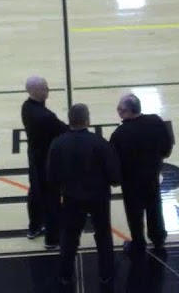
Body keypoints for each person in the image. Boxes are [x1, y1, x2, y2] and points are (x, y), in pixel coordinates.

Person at [48, 103, 120, 288]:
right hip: (99, 197)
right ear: (88, 120)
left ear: (69, 120)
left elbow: (51, 177)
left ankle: (65, 275)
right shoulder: (99, 143)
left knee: (70, 236)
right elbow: (114, 176)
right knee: (103, 235)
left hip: (72, 198)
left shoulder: (58, 143)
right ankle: (106, 275)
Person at [110, 94, 174, 256]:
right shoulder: (156, 121)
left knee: (134, 214)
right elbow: (167, 148)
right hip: (152, 175)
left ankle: (138, 243)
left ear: (130, 111)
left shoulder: (120, 134)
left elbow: (113, 160)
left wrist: (115, 179)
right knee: (154, 207)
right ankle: (158, 238)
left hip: (130, 181)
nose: (118, 111)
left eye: (121, 109)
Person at [21, 76, 66, 247]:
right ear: (37, 91)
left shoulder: (26, 107)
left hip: (34, 157)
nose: (49, 90)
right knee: (52, 198)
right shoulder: (46, 116)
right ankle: (52, 239)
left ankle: (34, 227)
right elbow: (64, 130)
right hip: (47, 162)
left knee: (34, 192)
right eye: (46, 88)